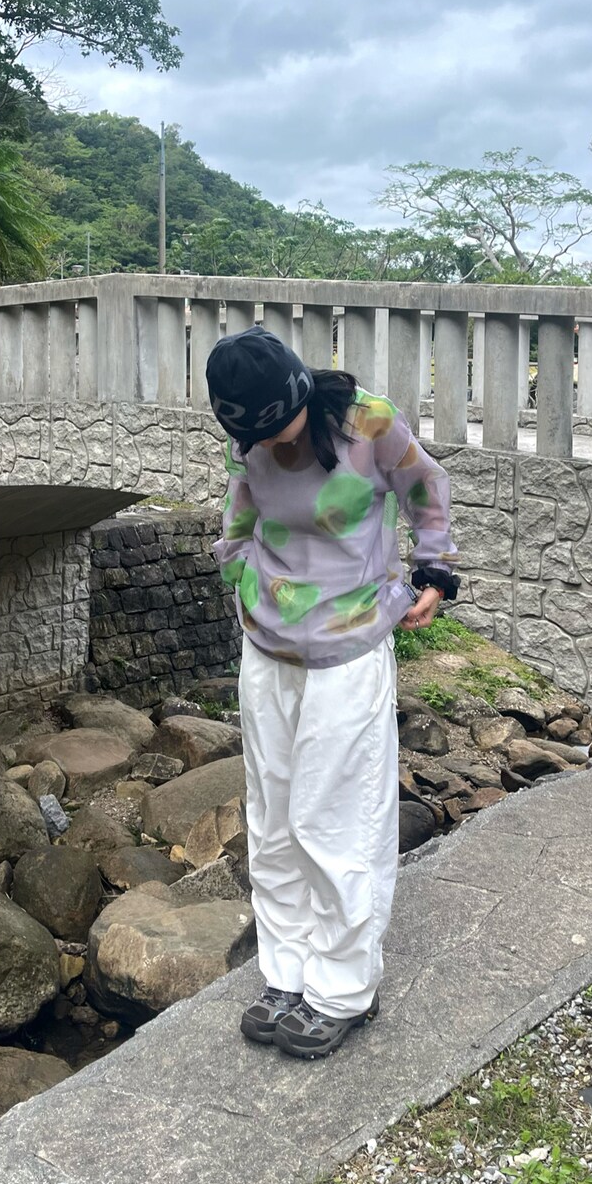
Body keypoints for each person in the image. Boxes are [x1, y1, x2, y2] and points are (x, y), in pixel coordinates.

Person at [205, 324, 460, 1059]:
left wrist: (435, 571)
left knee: (337, 817)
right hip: (268, 646)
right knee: (273, 815)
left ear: (298, 394)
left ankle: (344, 988)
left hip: (349, 646)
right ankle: (285, 973)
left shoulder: (368, 423)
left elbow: (427, 487)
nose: (266, 445)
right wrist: (237, 570)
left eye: (274, 426)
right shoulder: (250, 441)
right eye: (250, 435)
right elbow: (241, 511)